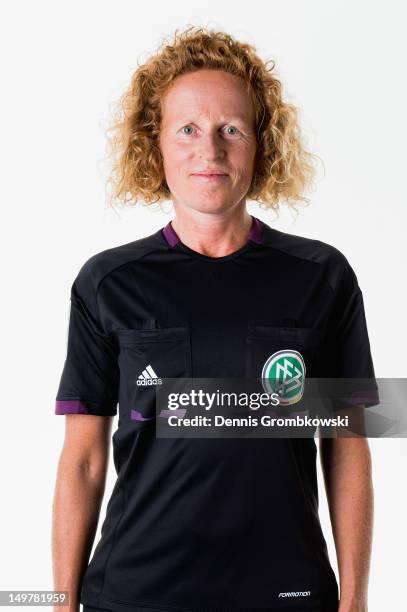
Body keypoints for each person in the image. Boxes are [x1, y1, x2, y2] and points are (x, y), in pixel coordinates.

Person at [52, 26, 377, 612]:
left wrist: (354, 603)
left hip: (286, 593)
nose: (211, 149)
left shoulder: (322, 277)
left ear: (261, 145)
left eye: (232, 129)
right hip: (134, 594)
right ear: (155, 147)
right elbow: (83, 460)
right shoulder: (107, 283)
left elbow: (347, 443)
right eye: (188, 129)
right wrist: (57, 603)